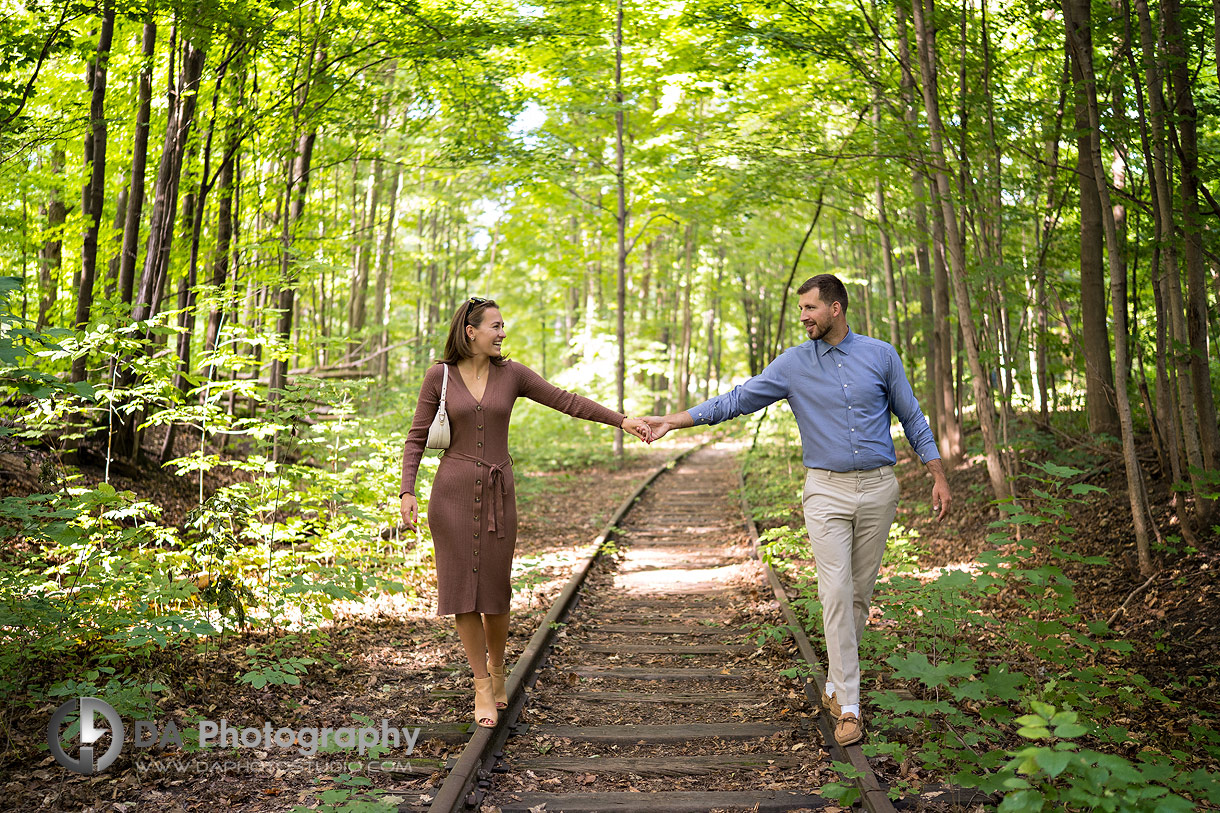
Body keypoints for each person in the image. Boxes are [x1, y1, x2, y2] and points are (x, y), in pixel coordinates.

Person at [642, 274, 951, 746]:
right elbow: (736, 401)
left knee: (858, 598)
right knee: (835, 592)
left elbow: (911, 415)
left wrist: (937, 473)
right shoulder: (793, 364)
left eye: (810, 308)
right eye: (801, 309)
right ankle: (849, 704)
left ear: (836, 308)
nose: (803, 316)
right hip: (825, 492)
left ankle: (835, 682)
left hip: (878, 489)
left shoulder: (881, 355)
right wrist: (673, 421)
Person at [399, 297, 652, 728]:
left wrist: (621, 420)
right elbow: (416, 437)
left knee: (496, 593)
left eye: (503, 327)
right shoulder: (438, 376)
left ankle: (498, 672)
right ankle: (481, 684)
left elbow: (566, 400)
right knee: (463, 593)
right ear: (470, 331)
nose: (501, 334)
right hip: (453, 494)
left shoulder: (511, 374)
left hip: (499, 494)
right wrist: (407, 491)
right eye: (495, 326)